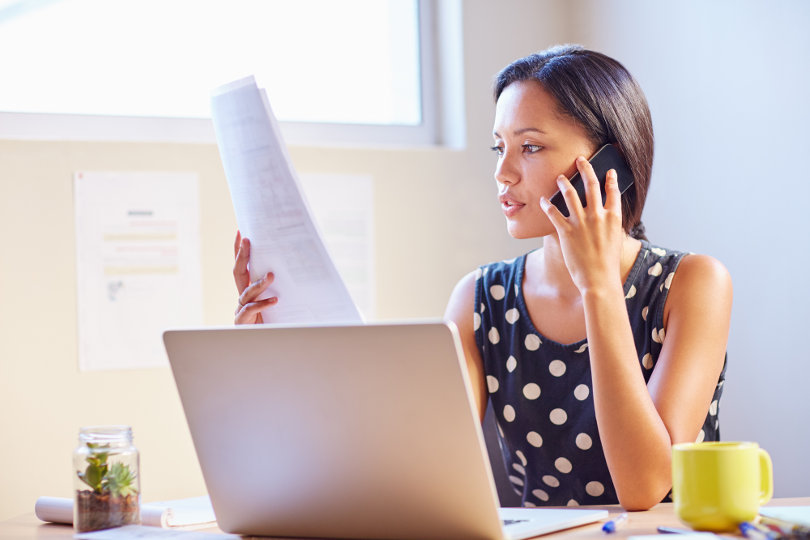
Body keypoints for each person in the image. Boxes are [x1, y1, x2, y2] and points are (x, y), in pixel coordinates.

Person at [232, 45, 732, 511]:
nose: (504, 173)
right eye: (499, 149)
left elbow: (644, 486)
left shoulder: (692, 284)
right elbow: (417, 473)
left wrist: (598, 286)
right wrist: (274, 356)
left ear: (610, 165)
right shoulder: (480, 299)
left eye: (530, 147)